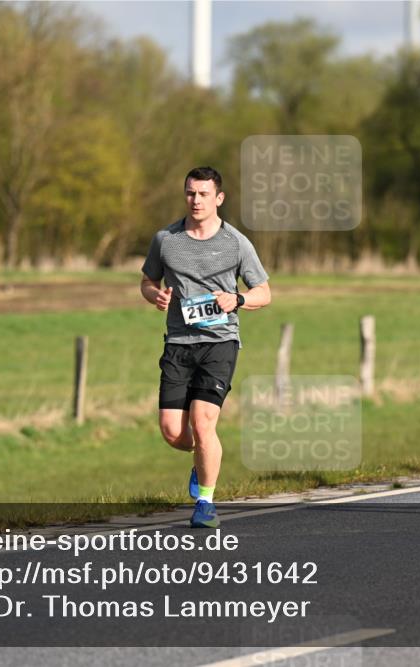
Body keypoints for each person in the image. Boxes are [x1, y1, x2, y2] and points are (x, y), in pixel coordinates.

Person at [141, 166, 271, 528]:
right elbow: (148, 280)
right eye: (189, 193)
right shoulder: (166, 239)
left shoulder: (235, 242)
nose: (195, 200)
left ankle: (206, 504)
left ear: (219, 198)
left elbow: (265, 292)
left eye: (202, 194)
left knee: (202, 424)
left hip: (220, 342)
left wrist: (238, 300)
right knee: (173, 431)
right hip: (179, 343)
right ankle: (204, 459)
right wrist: (156, 295)